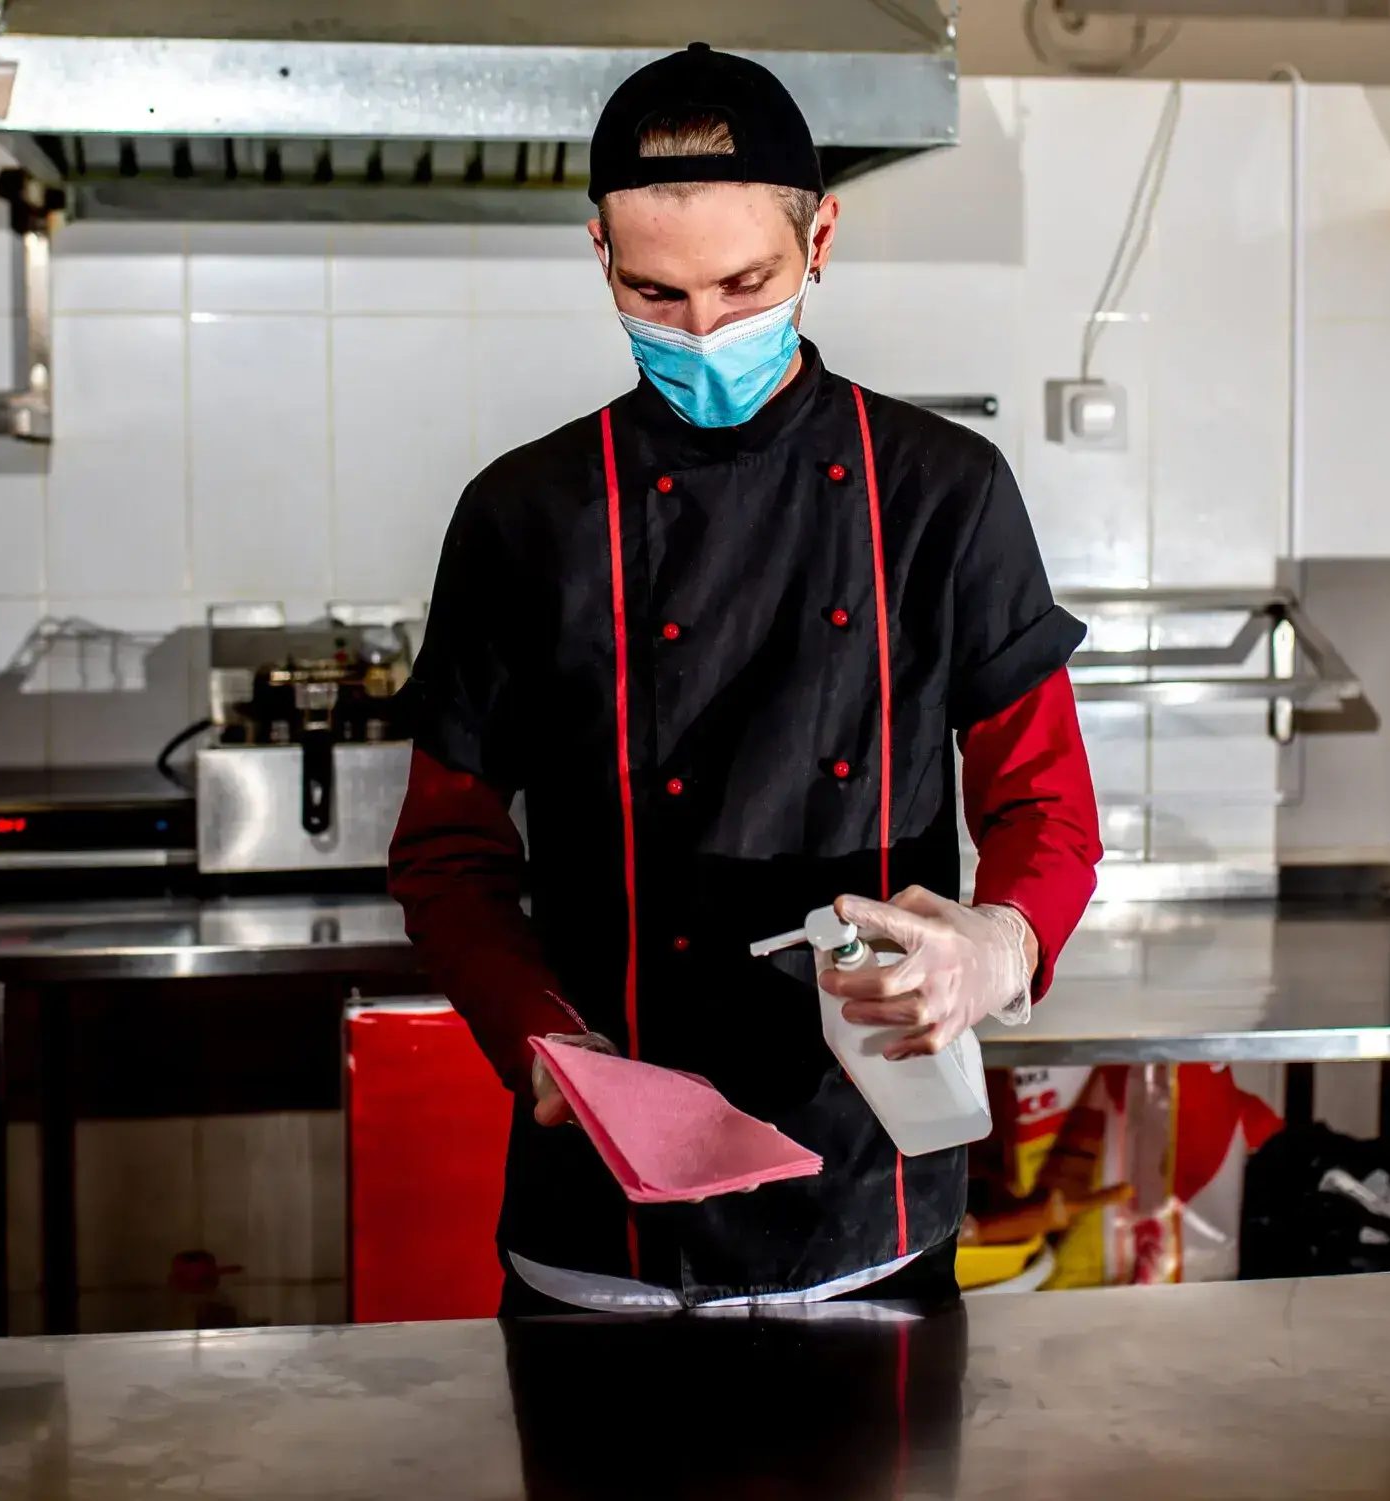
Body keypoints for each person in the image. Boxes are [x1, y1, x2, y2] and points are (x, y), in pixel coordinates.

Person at [388, 42, 1102, 1314]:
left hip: (866, 1199)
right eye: (655, 293)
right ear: (600, 255)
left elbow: (1044, 802)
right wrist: (540, 1039)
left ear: (818, 240)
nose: (704, 330)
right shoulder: (520, 514)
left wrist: (999, 945)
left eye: (744, 283)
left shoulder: (942, 492)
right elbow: (447, 851)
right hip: (597, 1220)